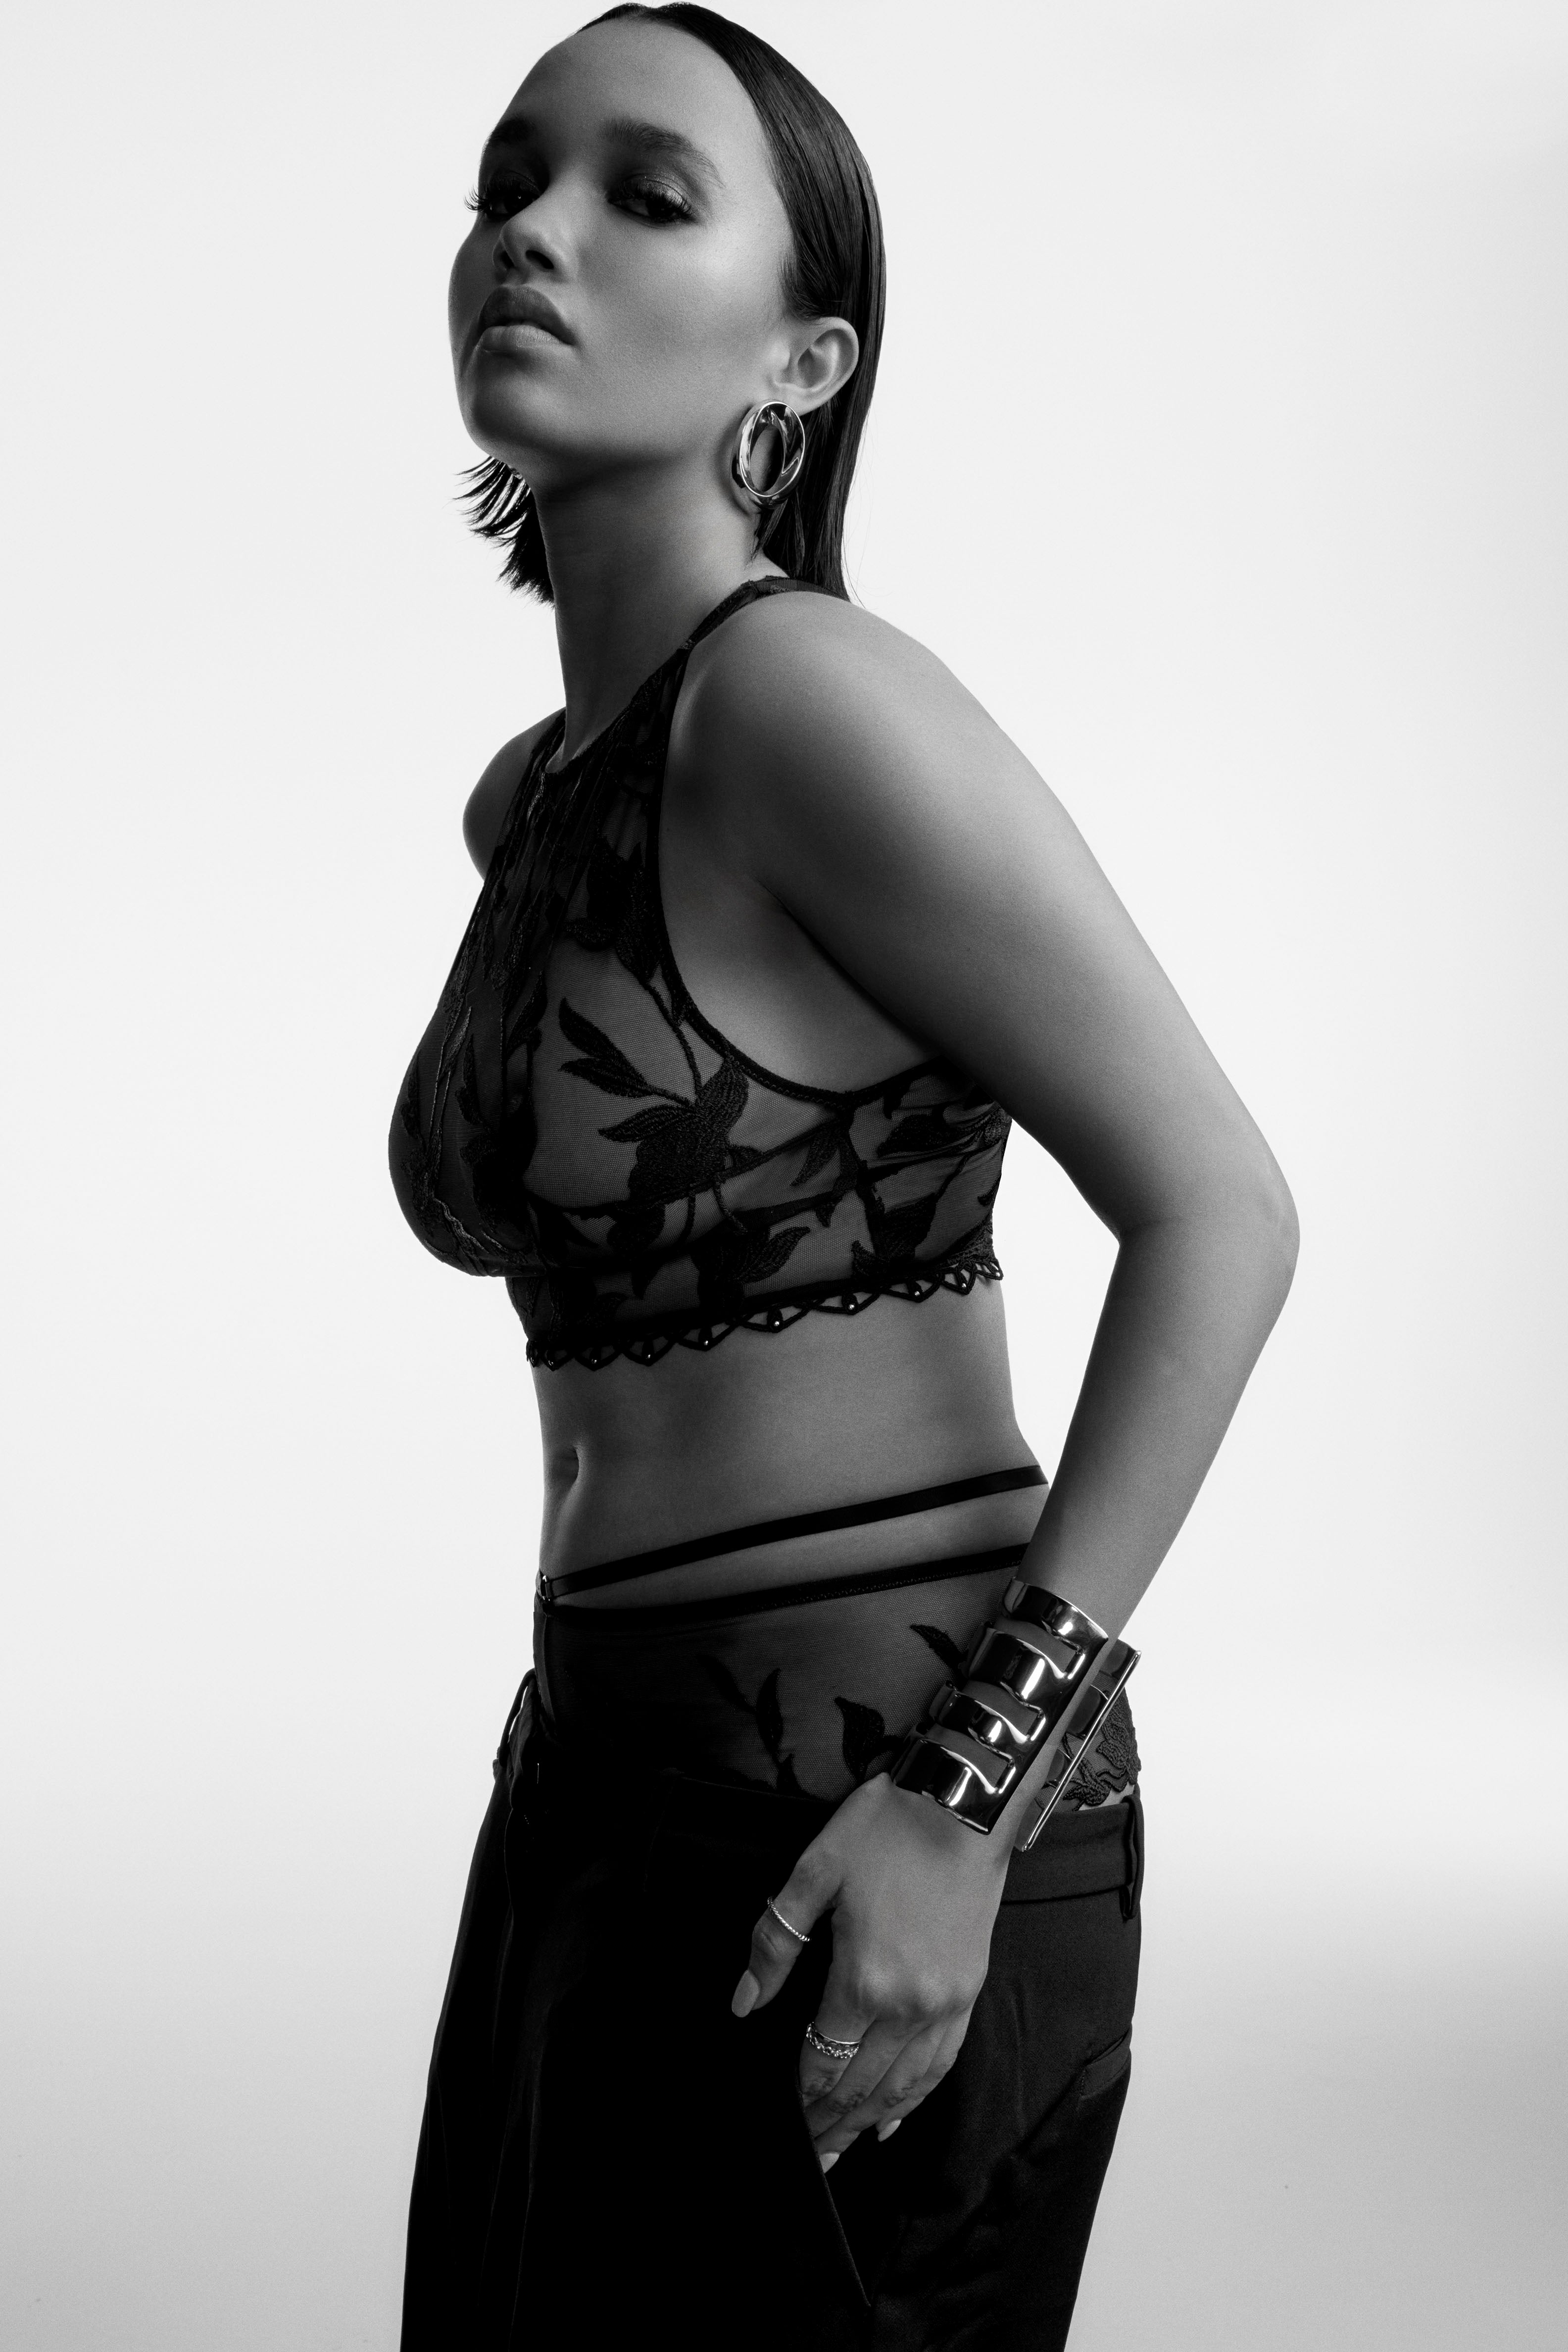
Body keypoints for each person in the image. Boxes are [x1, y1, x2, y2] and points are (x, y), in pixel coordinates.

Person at [390, 7, 1297, 2346]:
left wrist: (969, 1802)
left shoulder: (811, 704)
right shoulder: (537, 795)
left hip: (869, 1836)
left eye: (643, 195)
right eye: (510, 181)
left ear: (804, 364)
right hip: (594, 1797)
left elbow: (1222, 1209)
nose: (535, 231)